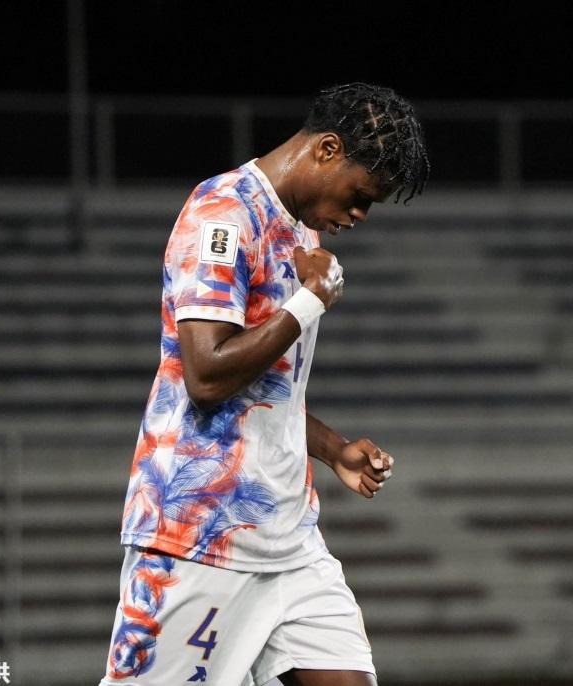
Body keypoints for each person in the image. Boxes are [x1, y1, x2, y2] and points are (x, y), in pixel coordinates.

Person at [100, 83, 429, 686]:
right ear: (327, 150)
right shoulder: (222, 213)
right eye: (360, 196)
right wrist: (309, 302)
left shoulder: (303, 232)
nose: (361, 215)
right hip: (199, 536)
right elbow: (206, 377)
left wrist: (333, 450)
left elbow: (262, 394)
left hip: (290, 540)